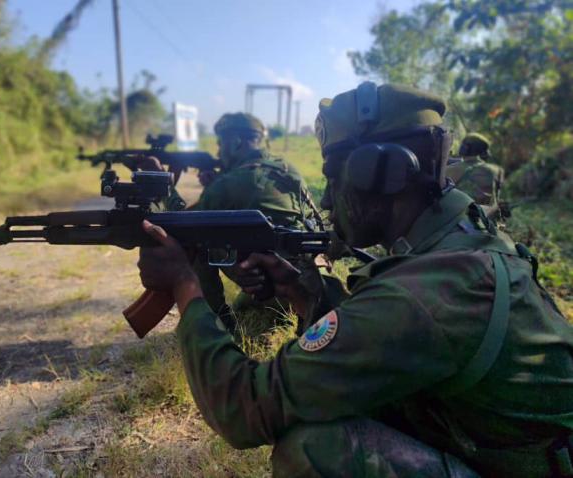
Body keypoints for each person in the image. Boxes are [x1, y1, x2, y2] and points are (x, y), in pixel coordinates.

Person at [136, 82, 573, 477]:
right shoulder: (457, 239)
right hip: (496, 445)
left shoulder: (430, 290)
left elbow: (243, 407)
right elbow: (390, 341)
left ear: (382, 174)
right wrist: (305, 293)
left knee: (314, 450)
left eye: (331, 177)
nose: (326, 198)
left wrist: (185, 284)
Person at [141, 112, 332, 335]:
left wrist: (163, 185)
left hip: (277, 291)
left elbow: (183, 223)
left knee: (195, 244)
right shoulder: (286, 168)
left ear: (237, 141)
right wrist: (218, 184)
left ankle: (217, 327)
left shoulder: (229, 184)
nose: (218, 152)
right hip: (308, 289)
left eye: (221, 144)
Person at [447, 132, 505, 216]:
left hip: (459, 219)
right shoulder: (498, 171)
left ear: (463, 149)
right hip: (487, 221)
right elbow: (496, 198)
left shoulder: (450, 170)